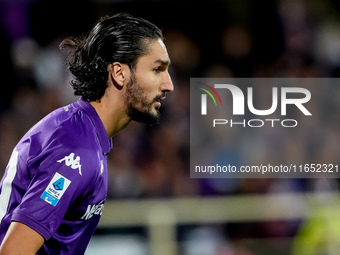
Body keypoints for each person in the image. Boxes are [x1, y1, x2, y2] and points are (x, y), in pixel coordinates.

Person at [0, 13, 173, 254]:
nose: (168, 84)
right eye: (157, 69)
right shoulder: (76, 149)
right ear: (119, 73)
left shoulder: (84, 134)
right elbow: (14, 251)